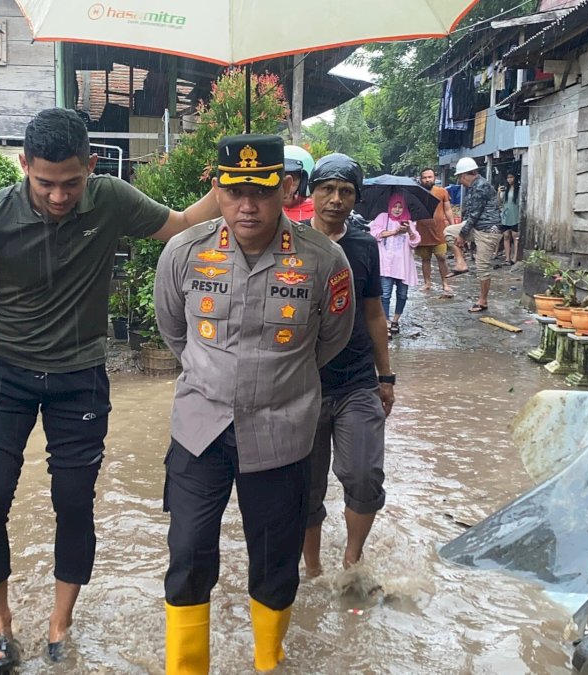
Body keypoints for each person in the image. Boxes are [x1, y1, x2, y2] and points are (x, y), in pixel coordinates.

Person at [0, 108, 220, 673]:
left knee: (74, 502)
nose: (58, 196)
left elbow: (179, 225)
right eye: (45, 182)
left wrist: (231, 183)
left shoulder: (111, 200)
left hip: (79, 378)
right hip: (3, 373)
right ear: (24, 165)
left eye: (71, 183)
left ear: (91, 168)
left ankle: (60, 624)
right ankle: (0, 625)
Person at [154, 134, 355, 674]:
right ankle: (186, 668)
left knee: (274, 558)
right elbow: (175, 333)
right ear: (216, 188)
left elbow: (331, 338)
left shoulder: (323, 260)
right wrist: (215, 376)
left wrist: (275, 382)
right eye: (234, 190)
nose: (247, 205)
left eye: (261, 192)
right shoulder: (185, 252)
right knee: (190, 551)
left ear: (286, 188)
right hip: (201, 428)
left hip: (282, 432)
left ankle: (269, 660)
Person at [298, 153, 395, 580]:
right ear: (311, 192)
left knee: (364, 475)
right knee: (304, 487)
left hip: (357, 381)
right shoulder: (293, 243)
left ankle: (352, 563)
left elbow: (374, 313)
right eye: (327, 189)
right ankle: (313, 570)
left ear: (356, 198)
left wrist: (386, 376)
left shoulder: (363, 245)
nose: (335, 199)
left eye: (346, 191)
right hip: (302, 384)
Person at [454, 157, 504, 313]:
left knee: (482, 266)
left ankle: (483, 301)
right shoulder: (474, 187)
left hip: (488, 230)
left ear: (466, 175)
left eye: (461, 178)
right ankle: (461, 263)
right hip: (477, 227)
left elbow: (474, 214)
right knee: (449, 232)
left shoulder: (480, 187)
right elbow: (470, 213)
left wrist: (462, 235)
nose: (461, 182)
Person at [370, 195, 421, 335]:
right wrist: (394, 232)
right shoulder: (382, 217)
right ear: (389, 206)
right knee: (385, 294)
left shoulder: (409, 221)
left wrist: (409, 231)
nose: (397, 210)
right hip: (386, 263)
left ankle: (395, 320)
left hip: (403, 265)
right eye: (395, 206)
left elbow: (415, 242)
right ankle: (385, 322)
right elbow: (373, 234)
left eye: (400, 207)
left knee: (402, 294)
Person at [415, 167, 462, 295]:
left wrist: (453, 227)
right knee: (425, 259)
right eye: (424, 178)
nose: (427, 180)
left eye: (429, 177)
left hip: (439, 231)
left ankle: (445, 284)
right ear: (421, 179)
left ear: (434, 178)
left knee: (442, 257)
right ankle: (427, 283)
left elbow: (447, 210)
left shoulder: (442, 192)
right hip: (422, 231)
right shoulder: (417, 192)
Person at [282, 144, 315, 222]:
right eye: (281, 179)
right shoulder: (264, 210)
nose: (286, 186)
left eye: (292, 180)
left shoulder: (317, 212)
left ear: (303, 182)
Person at [499, 172, 521, 265]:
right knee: (506, 236)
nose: (510, 179)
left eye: (511, 177)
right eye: (508, 178)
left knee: (515, 237)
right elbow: (500, 201)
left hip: (515, 215)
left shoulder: (518, 189)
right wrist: (498, 192)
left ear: (515, 178)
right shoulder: (505, 189)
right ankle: (507, 258)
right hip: (505, 215)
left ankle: (515, 257)